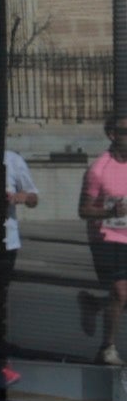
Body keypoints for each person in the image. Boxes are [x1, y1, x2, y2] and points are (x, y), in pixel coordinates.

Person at [78, 115, 127, 367]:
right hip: (106, 237)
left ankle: (93, 303)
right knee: (120, 291)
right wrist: (110, 213)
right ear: (112, 135)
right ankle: (106, 348)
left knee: (122, 297)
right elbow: (83, 210)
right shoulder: (99, 169)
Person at [0, 150, 39, 386]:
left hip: (6, 241)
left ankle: (0, 358)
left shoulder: (13, 160)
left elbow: (33, 197)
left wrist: (16, 198)